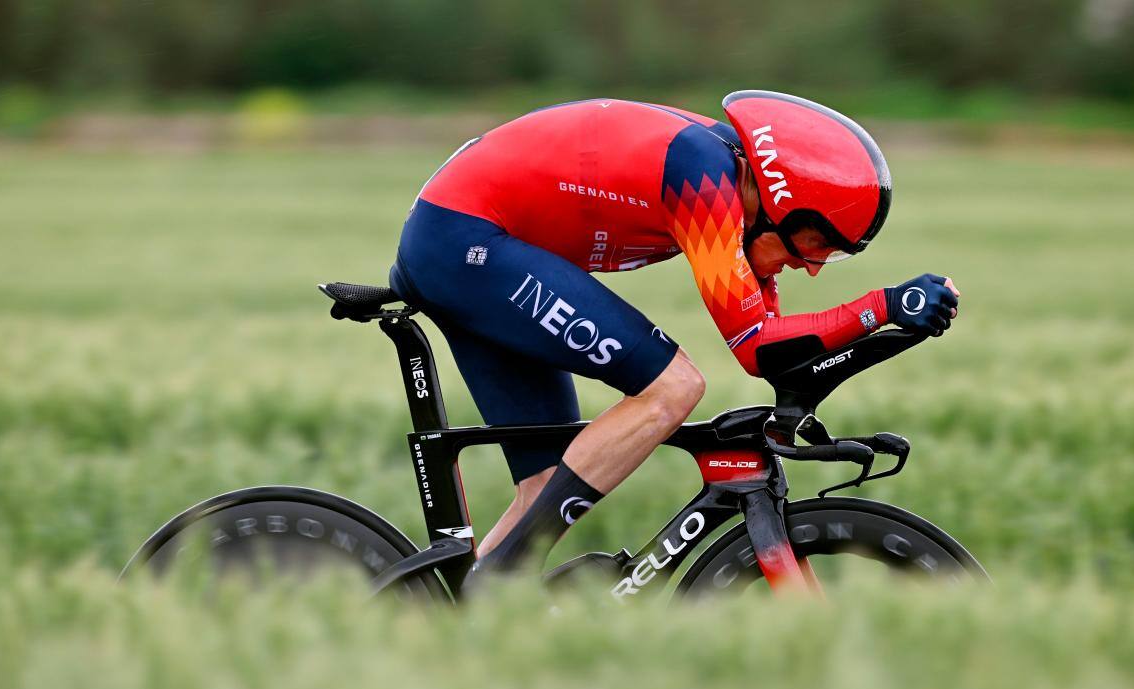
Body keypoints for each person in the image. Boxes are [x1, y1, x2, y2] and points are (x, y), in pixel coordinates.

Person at [388, 90, 960, 580]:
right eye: (814, 243)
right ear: (778, 200)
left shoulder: (732, 185)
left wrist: (890, 328)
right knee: (673, 386)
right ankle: (502, 581)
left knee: (547, 479)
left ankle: (465, 615)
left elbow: (780, 359)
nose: (812, 266)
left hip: (466, 243)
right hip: (465, 242)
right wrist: (883, 305)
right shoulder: (702, 177)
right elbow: (756, 344)